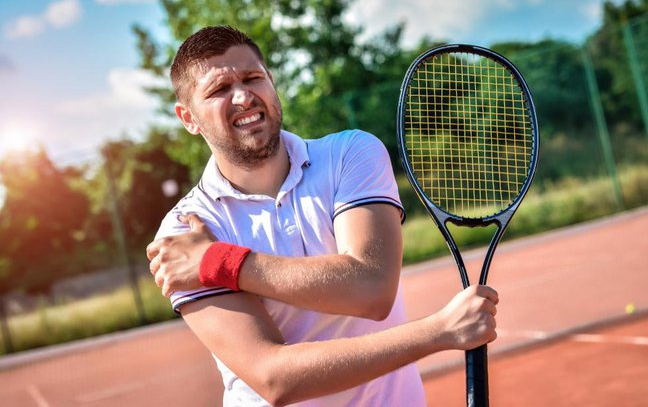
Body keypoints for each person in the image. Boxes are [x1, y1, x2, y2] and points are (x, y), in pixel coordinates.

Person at [146, 25, 498, 407]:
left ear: (272, 82)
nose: (244, 96)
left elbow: (371, 290)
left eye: (253, 78)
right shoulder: (185, 232)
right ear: (188, 118)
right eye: (218, 90)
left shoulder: (350, 154)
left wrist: (219, 262)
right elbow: (274, 377)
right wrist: (438, 331)